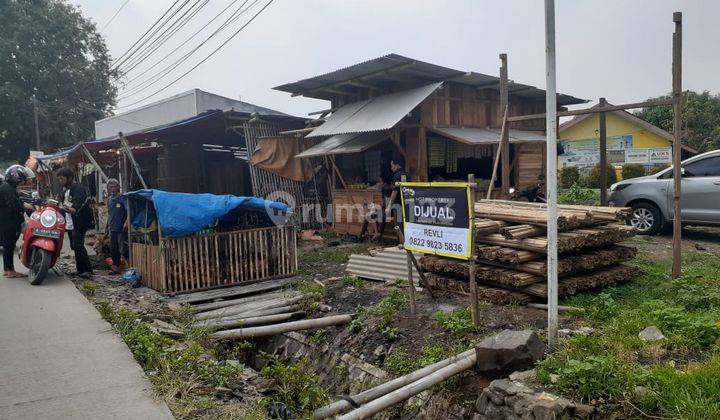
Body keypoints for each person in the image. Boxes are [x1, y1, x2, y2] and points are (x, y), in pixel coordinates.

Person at [57, 168, 93, 278]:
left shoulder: (79, 188)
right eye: (59, 179)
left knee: (78, 245)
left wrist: (65, 208)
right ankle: (80, 270)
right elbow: (62, 202)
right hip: (69, 222)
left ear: (70, 178)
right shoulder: (64, 190)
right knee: (74, 246)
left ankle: (88, 270)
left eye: (62, 179)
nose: (60, 181)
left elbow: (75, 207)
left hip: (79, 221)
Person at [0, 165, 34, 278]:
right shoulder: (7, 189)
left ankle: (8, 270)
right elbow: (14, 205)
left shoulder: (8, 188)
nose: (22, 182)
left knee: (8, 246)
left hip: (8, 221)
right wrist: (25, 206)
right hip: (9, 222)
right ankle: (10, 271)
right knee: (9, 246)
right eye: (22, 180)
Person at [105, 179, 128, 274]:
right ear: (108, 189)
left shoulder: (122, 198)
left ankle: (126, 268)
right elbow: (109, 214)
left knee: (123, 248)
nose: (113, 188)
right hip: (112, 227)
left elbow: (128, 211)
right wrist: (107, 228)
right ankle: (116, 267)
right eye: (111, 187)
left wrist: (126, 222)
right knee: (113, 248)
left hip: (121, 228)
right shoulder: (109, 199)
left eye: (115, 186)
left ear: (118, 187)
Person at [383, 156, 407, 240]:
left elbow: (395, 191)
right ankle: (406, 242)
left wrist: (389, 206)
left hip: (398, 204)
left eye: (392, 166)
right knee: (405, 224)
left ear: (396, 165)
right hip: (406, 203)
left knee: (398, 225)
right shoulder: (406, 174)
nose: (391, 168)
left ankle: (401, 243)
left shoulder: (397, 175)